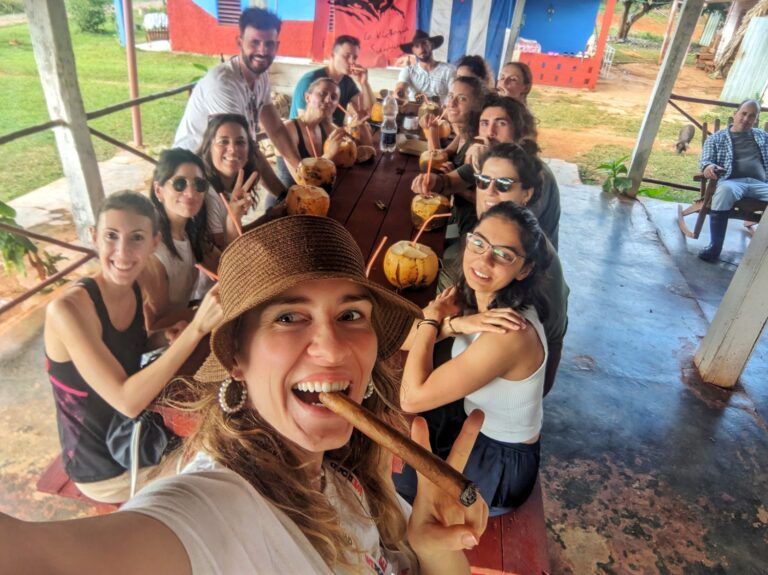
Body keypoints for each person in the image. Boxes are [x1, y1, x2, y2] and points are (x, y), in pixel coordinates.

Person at [2, 215, 489, 574]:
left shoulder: (350, 478)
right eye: (288, 317)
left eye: (350, 315)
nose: (332, 347)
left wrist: (436, 548)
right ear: (237, 358)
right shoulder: (215, 507)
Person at [42, 191, 223, 503]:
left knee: (225, 430)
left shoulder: (132, 287)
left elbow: (129, 347)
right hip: (105, 469)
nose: (122, 252)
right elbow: (127, 400)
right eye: (112, 236)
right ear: (94, 238)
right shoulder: (67, 310)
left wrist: (164, 336)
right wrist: (195, 329)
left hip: (137, 435)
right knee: (225, 469)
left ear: (154, 243)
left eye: (136, 238)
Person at [395, 202, 551, 516]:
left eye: (503, 254)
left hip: (498, 462)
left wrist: (436, 319)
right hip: (469, 424)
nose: (483, 259)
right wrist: (454, 324)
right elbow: (403, 339)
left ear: (525, 269)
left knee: (395, 485)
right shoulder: (474, 295)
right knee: (390, 453)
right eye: (478, 242)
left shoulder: (510, 333)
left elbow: (412, 398)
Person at [172, 7, 296, 200]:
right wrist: (285, 195)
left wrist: (302, 171)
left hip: (221, 167)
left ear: (277, 46)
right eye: (255, 42)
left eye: (269, 44)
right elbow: (245, 150)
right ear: (240, 42)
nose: (262, 51)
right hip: (191, 174)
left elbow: (276, 129)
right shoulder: (223, 84)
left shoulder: (261, 75)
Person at [415, 95, 561, 250]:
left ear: (519, 130)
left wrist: (467, 190)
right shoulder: (492, 159)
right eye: (484, 123)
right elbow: (449, 183)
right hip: (485, 244)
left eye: (501, 123)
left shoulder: (535, 173)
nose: (490, 132)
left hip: (524, 260)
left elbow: (504, 220)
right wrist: (432, 180)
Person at [141, 149, 219, 330]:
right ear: (158, 190)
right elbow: (155, 327)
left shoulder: (190, 232)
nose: (191, 193)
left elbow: (224, 264)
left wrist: (233, 219)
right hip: (158, 347)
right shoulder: (154, 251)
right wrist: (204, 310)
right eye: (179, 184)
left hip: (187, 327)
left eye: (199, 184)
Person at [697, 99, 768, 262]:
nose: (746, 119)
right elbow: (705, 161)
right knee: (725, 191)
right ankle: (715, 246)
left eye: (751, 116)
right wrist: (708, 167)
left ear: (756, 120)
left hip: (761, 183)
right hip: (732, 181)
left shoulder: (763, 137)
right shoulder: (717, 138)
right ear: (735, 114)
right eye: (743, 114)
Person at [276, 77, 372, 189]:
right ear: (307, 97)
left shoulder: (328, 128)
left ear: (336, 106)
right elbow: (304, 183)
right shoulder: (288, 130)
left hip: (321, 196)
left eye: (334, 97)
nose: (328, 100)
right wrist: (329, 155)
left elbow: (365, 152)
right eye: (322, 94)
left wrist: (361, 124)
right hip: (290, 200)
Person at [197, 114, 260, 250]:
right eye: (223, 142)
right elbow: (226, 252)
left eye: (240, 142)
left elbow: (234, 231)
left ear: (248, 151)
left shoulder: (232, 186)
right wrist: (234, 216)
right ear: (209, 148)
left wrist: (271, 217)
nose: (232, 149)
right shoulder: (208, 193)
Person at [289, 35, 375, 126]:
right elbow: (306, 124)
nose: (352, 61)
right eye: (346, 56)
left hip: (333, 134)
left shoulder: (347, 82)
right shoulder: (310, 81)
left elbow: (371, 112)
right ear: (332, 55)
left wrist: (364, 83)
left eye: (354, 58)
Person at [395, 30, 455, 101]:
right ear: (413, 50)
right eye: (417, 46)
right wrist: (399, 93)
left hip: (440, 111)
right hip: (414, 110)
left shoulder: (448, 70)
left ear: (432, 45)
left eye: (424, 44)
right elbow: (400, 88)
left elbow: (454, 93)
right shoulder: (408, 71)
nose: (421, 49)